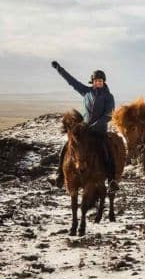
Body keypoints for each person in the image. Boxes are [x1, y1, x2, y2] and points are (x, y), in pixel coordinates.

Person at [51, 61, 119, 192]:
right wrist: (60, 69)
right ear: (92, 82)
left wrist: (95, 125)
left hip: (99, 131)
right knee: (66, 147)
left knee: (107, 150)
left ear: (103, 82)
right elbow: (72, 81)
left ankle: (112, 181)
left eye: (100, 80)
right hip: (85, 131)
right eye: (95, 81)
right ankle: (59, 176)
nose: (97, 82)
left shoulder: (108, 97)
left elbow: (109, 115)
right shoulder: (86, 92)